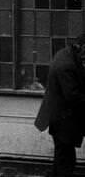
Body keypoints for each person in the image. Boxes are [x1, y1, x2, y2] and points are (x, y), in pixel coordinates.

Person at [36, 33, 85, 176]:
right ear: (81, 47)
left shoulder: (66, 54)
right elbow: (73, 95)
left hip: (60, 116)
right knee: (66, 159)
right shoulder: (66, 65)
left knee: (62, 157)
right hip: (63, 118)